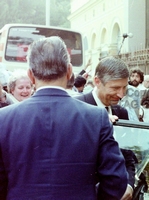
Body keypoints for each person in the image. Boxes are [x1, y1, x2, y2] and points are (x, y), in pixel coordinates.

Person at [0, 36, 128, 199]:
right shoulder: (97, 117)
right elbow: (116, 180)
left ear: (30, 76)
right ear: (69, 72)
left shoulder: (3, 119)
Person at [75, 56, 137, 199]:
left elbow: (128, 156)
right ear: (97, 81)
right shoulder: (76, 108)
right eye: (115, 88)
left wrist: (128, 184)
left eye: (124, 88)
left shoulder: (121, 112)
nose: (121, 95)